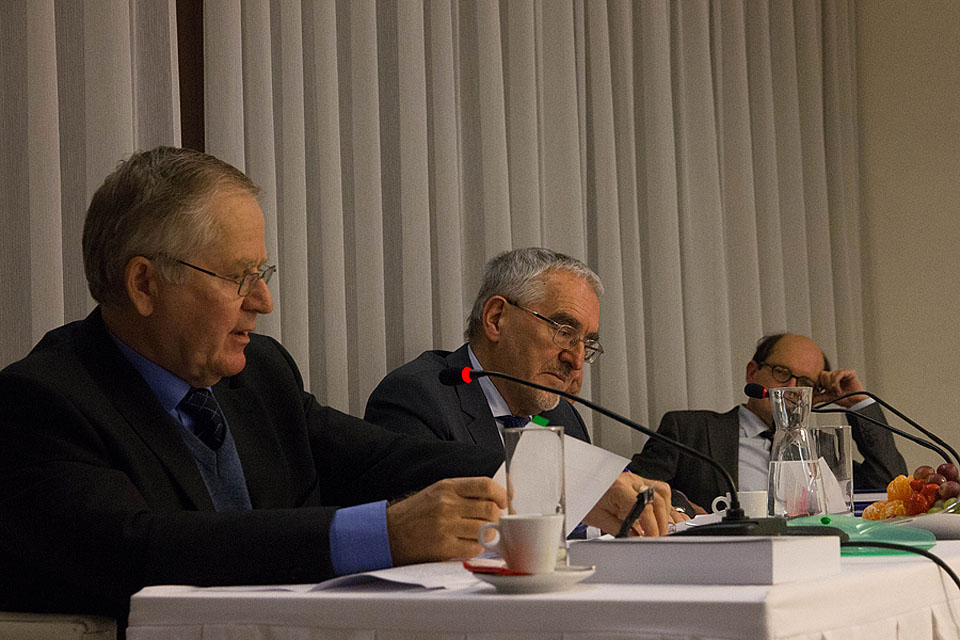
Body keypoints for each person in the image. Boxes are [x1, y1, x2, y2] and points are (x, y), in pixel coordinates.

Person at [0, 147, 509, 624]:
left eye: (261, 272)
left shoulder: (259, 372)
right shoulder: (41, 401)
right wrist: (386, 534)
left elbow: (375, 458)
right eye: (238, 277)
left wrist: (529, 475)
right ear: (145, 284)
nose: (263, 300)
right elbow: (138, 549)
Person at [364, 247, 685, 534]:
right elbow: (424, 527)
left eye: (586, 344)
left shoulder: (562, 415)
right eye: (564, 331)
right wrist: (575, 486)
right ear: (496, 318)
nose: (576, 360)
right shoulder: (418, 395)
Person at [628, 333, 907, 511]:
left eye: (806, 382)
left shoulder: (818, 448)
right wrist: (685, 508)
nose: (792, 389)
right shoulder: (689, 430)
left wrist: (856, 402)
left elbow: (888, 484)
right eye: (782, 372)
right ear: (752, 373)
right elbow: (633, 487)